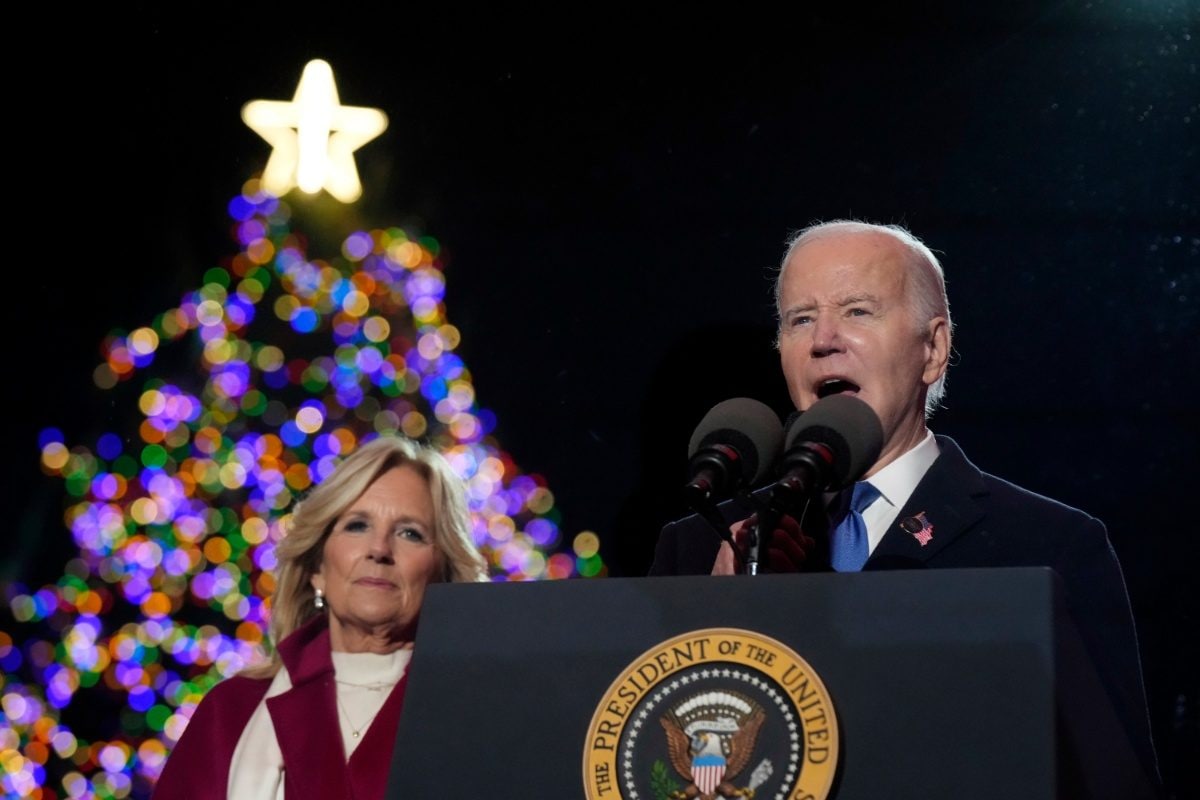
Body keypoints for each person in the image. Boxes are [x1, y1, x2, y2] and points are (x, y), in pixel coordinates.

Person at [648, 219, 1160, 791]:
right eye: (800, 319)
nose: (823, 339)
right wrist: (717, 629)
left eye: (858, 311)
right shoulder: (699, 548)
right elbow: (653, 763)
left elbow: (1114, 782)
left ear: (934, 349)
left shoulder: (1048, 547)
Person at [153, 435, 489, 799]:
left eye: (410, 533)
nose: (379, 549)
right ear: (317, 567)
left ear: (442, 574)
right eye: (357, 525)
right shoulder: (231, 711)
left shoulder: (481, 715)